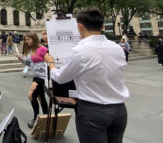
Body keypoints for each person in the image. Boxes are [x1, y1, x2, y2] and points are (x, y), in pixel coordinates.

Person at [45, 8, 129, 143]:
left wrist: (51, 63)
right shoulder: (117, 48)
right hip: (119, 110)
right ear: (102, 26)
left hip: (93, 111)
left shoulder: (79, 51)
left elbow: (60, 78)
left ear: (79, 27)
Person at [17, 32, 48, 128]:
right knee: (40, 97)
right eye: (25, 40)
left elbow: (50, 60)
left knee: (31, 95)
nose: (26, 42)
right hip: (36, 76)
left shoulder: (42, 49)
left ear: (34, 39)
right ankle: (46, 116)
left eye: (28, 40)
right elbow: (29, 63)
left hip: (42, 77)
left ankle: (36, 117)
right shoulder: (31, 50)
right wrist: (22, 59)